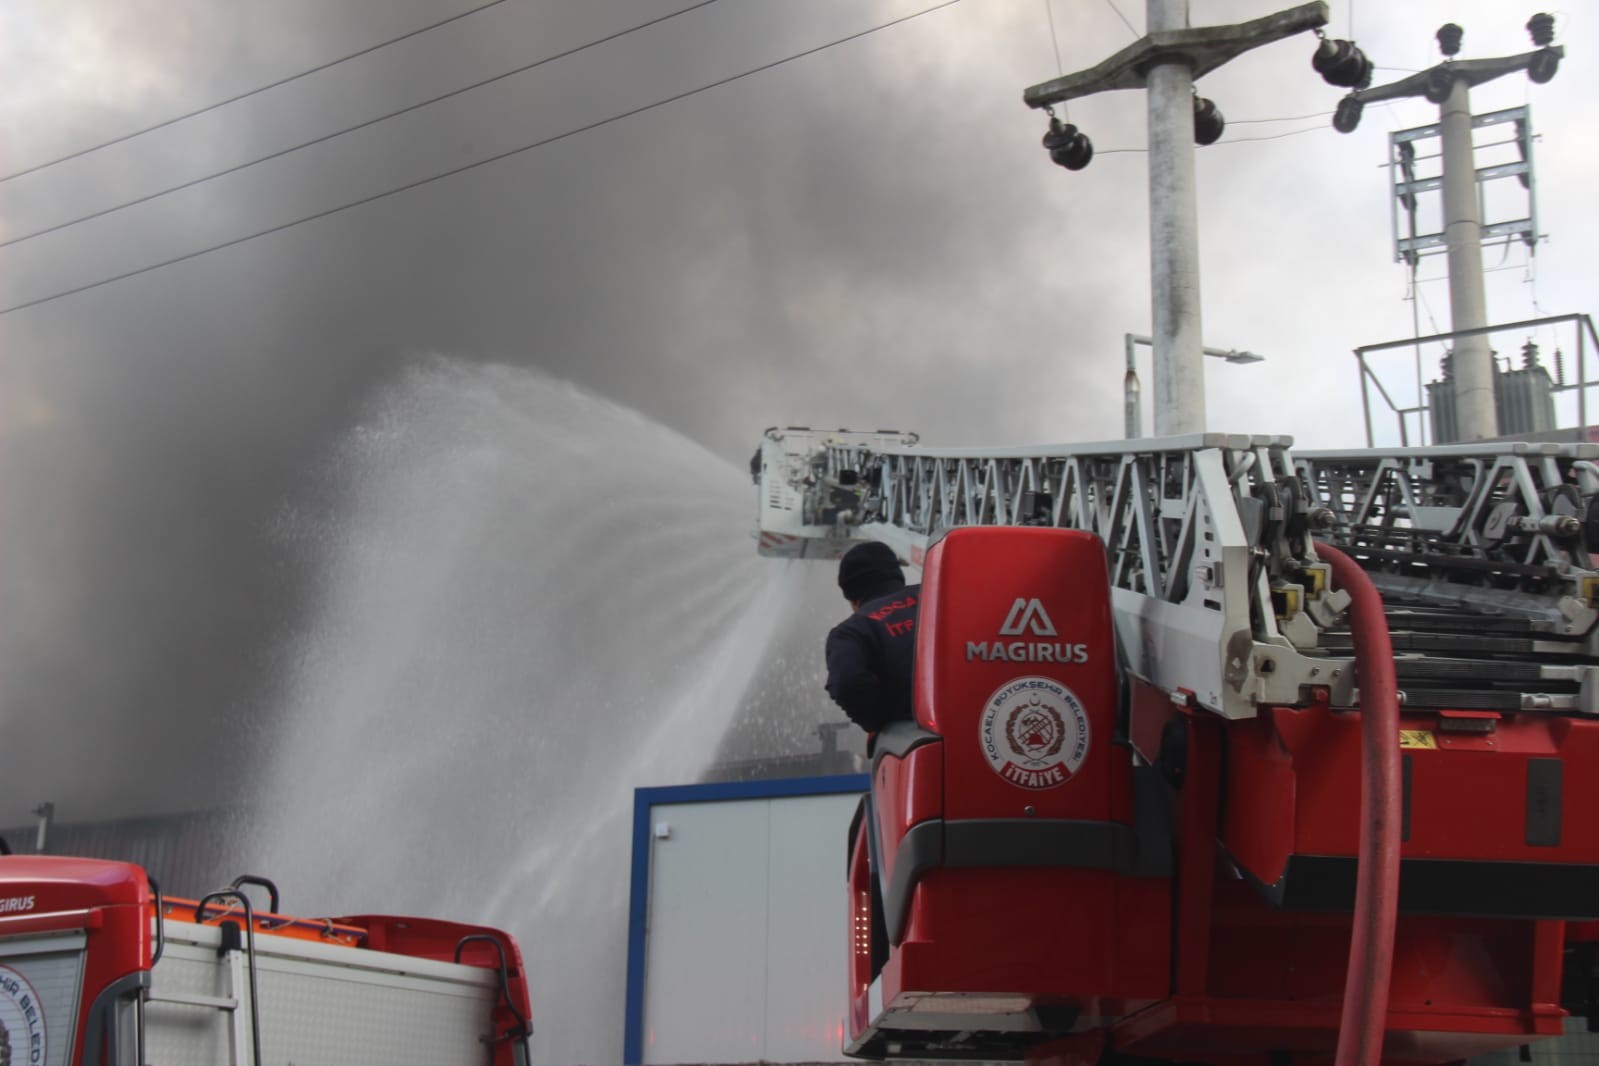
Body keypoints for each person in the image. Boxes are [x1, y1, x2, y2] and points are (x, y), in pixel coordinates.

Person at [824, 541, 920, 734]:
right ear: (898, 575)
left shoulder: (851, 632)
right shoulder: (940, 595)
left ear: (853, 600)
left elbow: (847, 683)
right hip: (978, 725)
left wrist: (880, 723)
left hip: (918, 741)